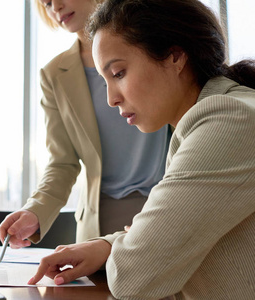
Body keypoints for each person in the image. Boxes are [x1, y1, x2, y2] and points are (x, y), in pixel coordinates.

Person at [28, 0, 255, 299]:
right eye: (104, 80)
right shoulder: (217, 112)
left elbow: (132, 277)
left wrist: (129, 243)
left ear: (175, 56)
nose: (111, 99)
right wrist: (111, 244)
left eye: (119, 73)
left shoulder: (227, 121)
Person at [0, 0, 170, 249]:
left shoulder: (150, 44)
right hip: (99, 218)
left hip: (167, 202)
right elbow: (62, 162)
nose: (55, 6)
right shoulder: (54, 74)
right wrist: (35, 211)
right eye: (46, 3)